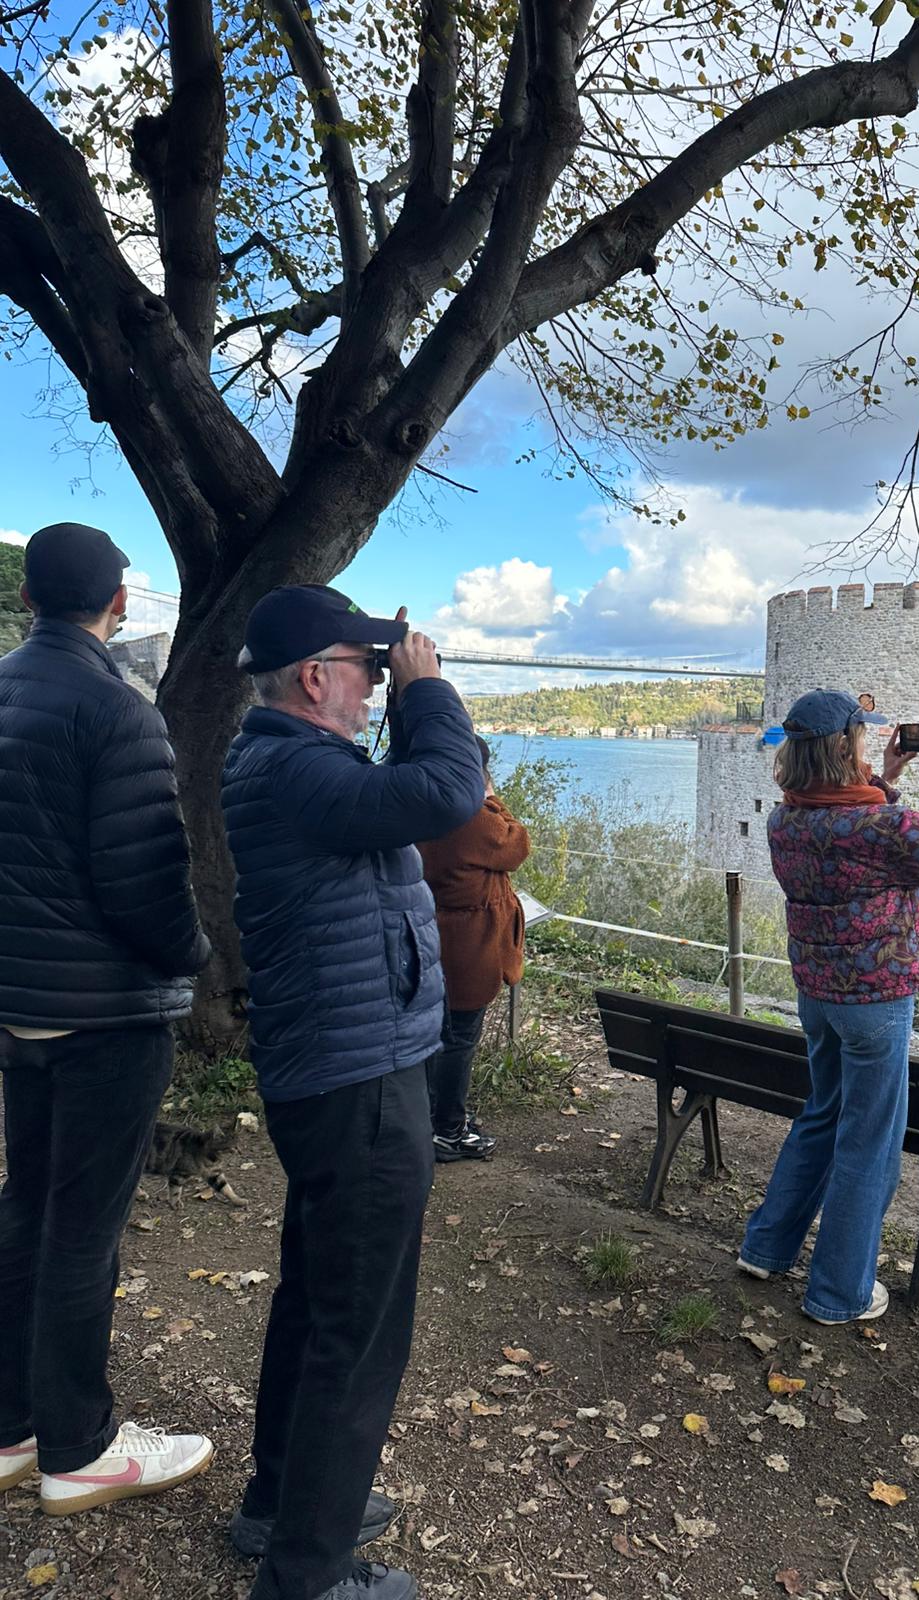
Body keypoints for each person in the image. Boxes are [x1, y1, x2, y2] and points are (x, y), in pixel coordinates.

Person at [221, 584, 484, 1600]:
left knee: (320, 1294)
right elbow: (447, 794)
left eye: (388, 668)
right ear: (317, 676)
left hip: (345, 1066)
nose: (379, 680)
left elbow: (419, 799)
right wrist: (430, 692)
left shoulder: (297, 766)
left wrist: (412, 701)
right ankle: (308, 1572)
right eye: (368, 667)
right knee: (359, 1328)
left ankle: (279, 1503)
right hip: (358, 1079)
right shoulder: (294, 769)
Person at [0, 523, 213, 1514]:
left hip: (22, 1007)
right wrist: (195, 958)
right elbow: (147, 890)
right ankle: (79, 1446)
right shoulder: (117, 712)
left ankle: (12, 1426)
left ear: (33, 595)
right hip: (105, 1018)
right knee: (83, 1228)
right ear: (117, 601)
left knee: (26, 1208)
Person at [736, 689, 919, 1325]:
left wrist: (885, 781)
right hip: (876, 1001)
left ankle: (766, 1247)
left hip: (817, 994)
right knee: (870, 1142)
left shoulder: (787, 820)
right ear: (845, 746)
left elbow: (851, 826)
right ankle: (838, 1292)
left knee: (823, 1113)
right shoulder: (878, 827)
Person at [418, 737, 530, 1162]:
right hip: (468, 948)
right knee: (459, 1039)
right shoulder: (471, 816)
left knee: (433, 1036)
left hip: (431, 937)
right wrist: (492, 798)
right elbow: (517, 844)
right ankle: (447, 1130)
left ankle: (425, 1123)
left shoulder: (423, 805)